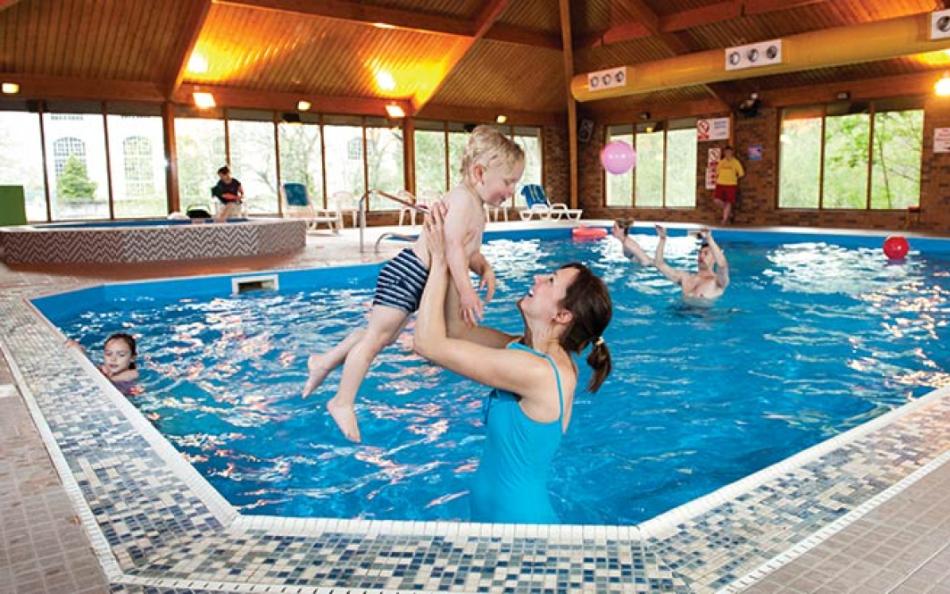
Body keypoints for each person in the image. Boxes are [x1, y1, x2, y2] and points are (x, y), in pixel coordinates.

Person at [302, 125, 525, 442]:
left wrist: (484, 267)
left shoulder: (476, 206)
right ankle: (342, 401)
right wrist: (465, 290)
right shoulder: (462, 200)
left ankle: (323, 361)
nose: (512, 189)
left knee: (381, 337)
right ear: (479, 172)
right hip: (408, 272)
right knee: (376, 340)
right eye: (508, 181)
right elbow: (450, 247)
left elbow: (467, 250)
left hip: (416, 277)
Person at [413, 202, 613, 524]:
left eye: (549, 281)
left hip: (521, 530)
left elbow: (427, 344)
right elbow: (455, 328)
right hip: (496, 523)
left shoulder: (540, 373)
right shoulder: (526, 351)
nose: (537, 278)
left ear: (562, 316)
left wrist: (438, 263)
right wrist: (456, 254)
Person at [653, 225, 729, 301]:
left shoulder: (718, 282)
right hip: (678, 311)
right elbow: (659, 264)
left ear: (714, 258)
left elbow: (722, 265)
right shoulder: (685, 278)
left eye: (706, 253)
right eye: (700, 253)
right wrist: (662, 239)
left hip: (703, 312)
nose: (701, 256)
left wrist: (709, 238)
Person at [67, 333, 140, 395]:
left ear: (132, 358)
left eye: (121, 355)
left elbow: (106, 381)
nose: (113, 359)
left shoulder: (132, 374)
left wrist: (83, 354)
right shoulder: (105, 369)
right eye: (108, 354)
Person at [712, 146, 744, 225]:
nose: (728, 154)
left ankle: (724, 219)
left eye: (729, 152)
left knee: (729, 202)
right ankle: (729, 212)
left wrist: (733, 178)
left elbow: (741, 173)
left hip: (731, 184)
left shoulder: (736, 162)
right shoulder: (721, 162)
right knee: (716, 200)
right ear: (724, 153)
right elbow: (717, 172)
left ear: (732, 153)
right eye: (726, 152)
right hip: (720, 183)